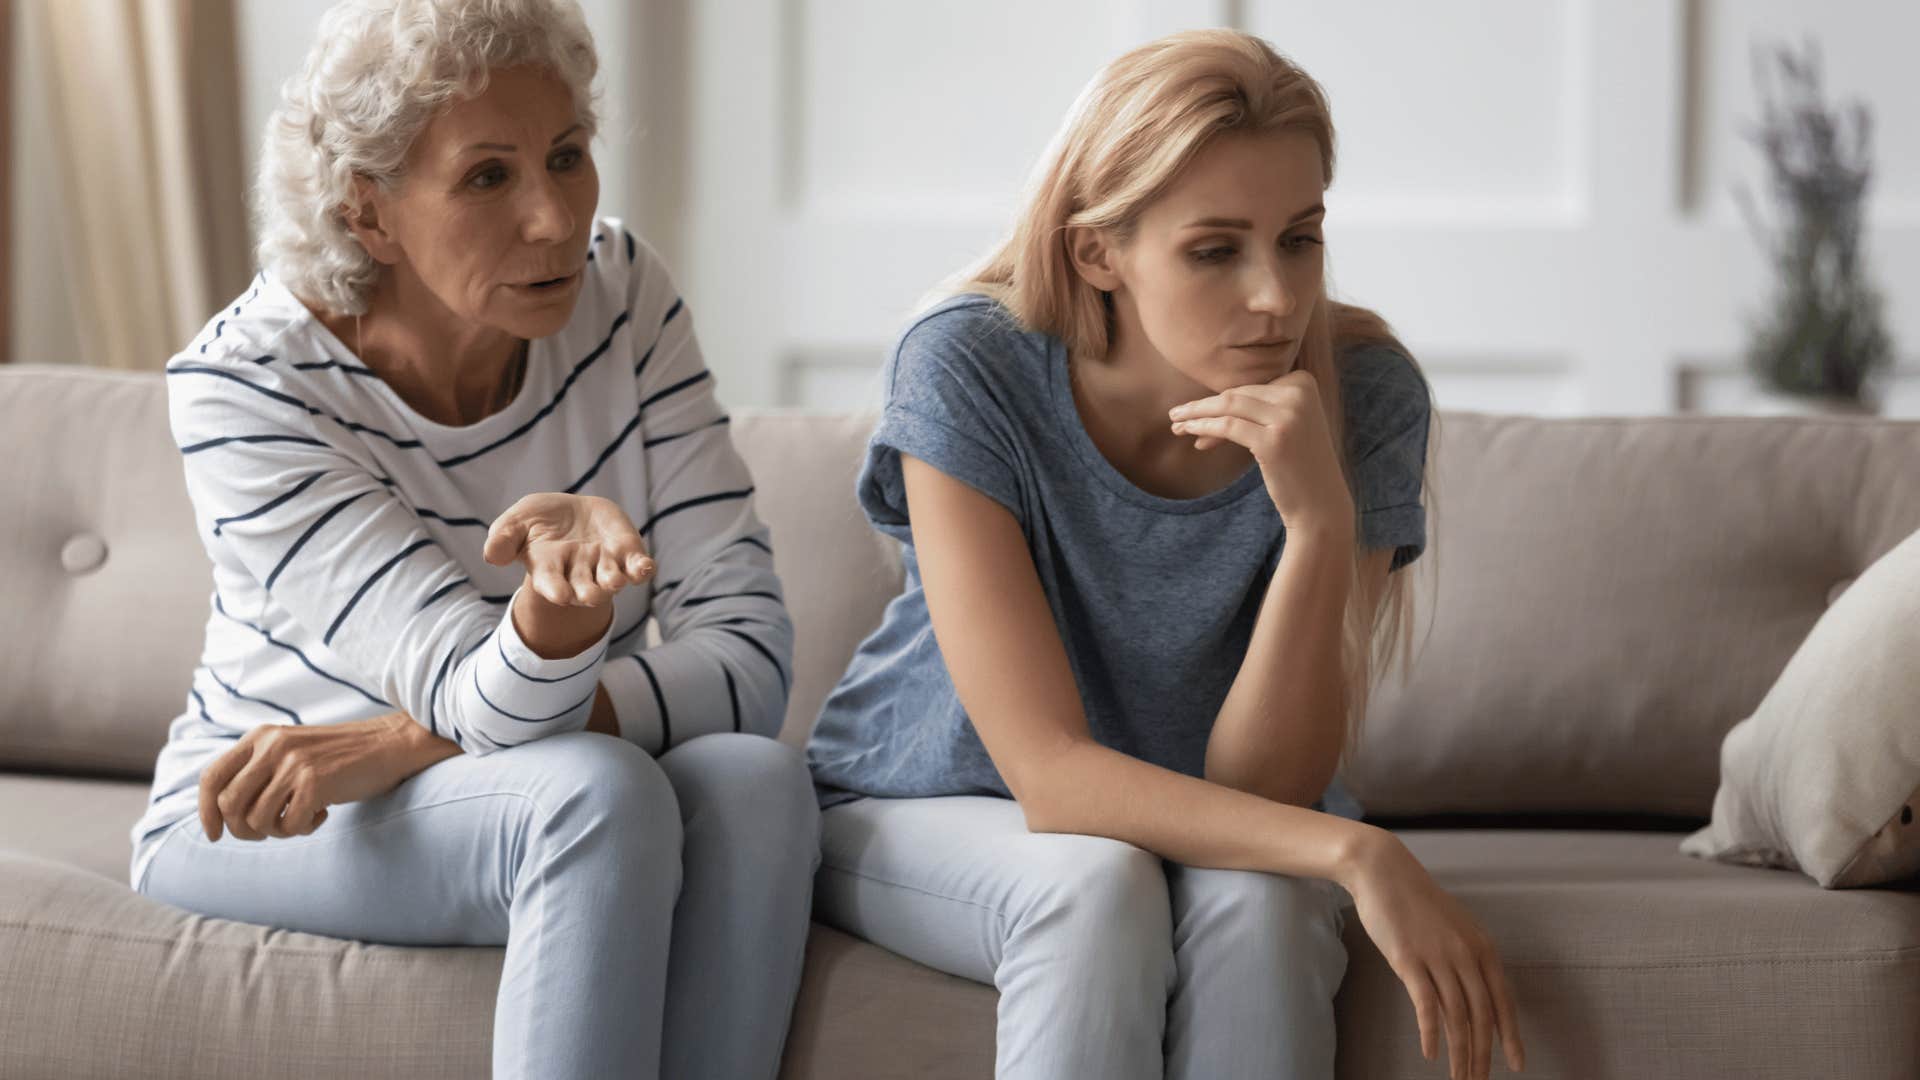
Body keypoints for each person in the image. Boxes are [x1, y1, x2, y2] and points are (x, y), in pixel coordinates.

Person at [807, 29, 1525, 1080]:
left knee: (1265, 914)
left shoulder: (1366, 396)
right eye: (1215, 249)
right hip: (931, 802)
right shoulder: (968, 365)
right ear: (1099, 250)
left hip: (1224, 814)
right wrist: (1359, 850)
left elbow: (1268, 788)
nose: (1277, 297)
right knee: (1097, 887)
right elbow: (1050, 779)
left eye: (1301, 239)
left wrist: (1320, 526)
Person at [126, 3, 817, 1077]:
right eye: (488, 177)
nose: (555, 218)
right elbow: (467, 682)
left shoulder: (621, 292)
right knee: (594, 794)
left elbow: (755, 658)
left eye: (567, 156)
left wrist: (404, 743)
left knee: (755, 783)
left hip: (416, 765)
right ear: (370, 215)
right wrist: (557, 617)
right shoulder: (247, 387)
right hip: (267, 816)